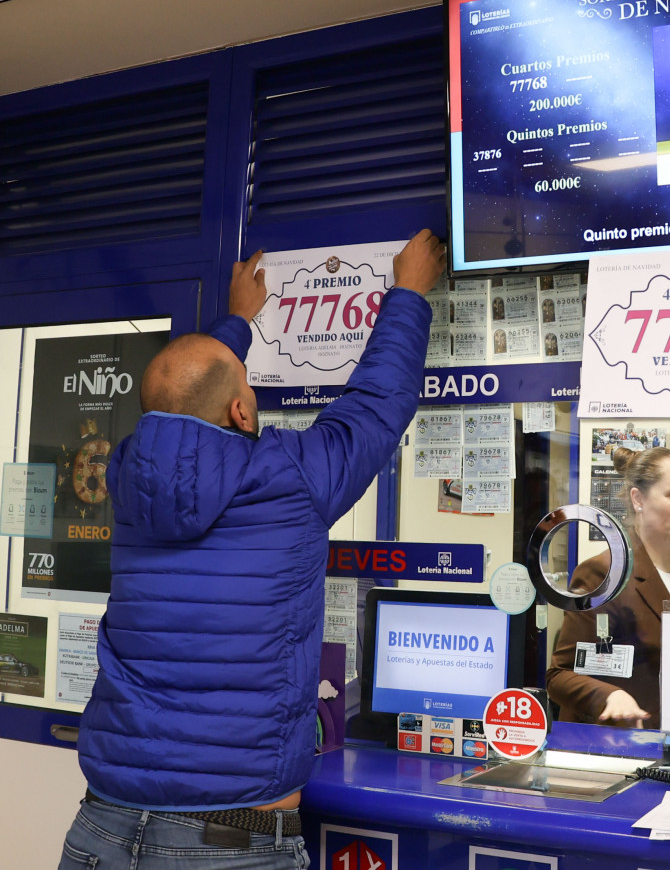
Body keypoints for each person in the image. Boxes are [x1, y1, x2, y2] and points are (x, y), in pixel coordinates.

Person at [59, 229, 445, 869]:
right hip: (228, 841)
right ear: (242, 412)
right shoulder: (288, 475)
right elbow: (375, 407)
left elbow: (186, 396)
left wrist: (237, 321)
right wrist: (407, 293)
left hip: (101, 826)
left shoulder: (126, 482)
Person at [546, 447, 670, 729]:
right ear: (638, 499)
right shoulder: (605, 573)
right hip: (622, 745)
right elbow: (559, 676)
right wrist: (611, 696)